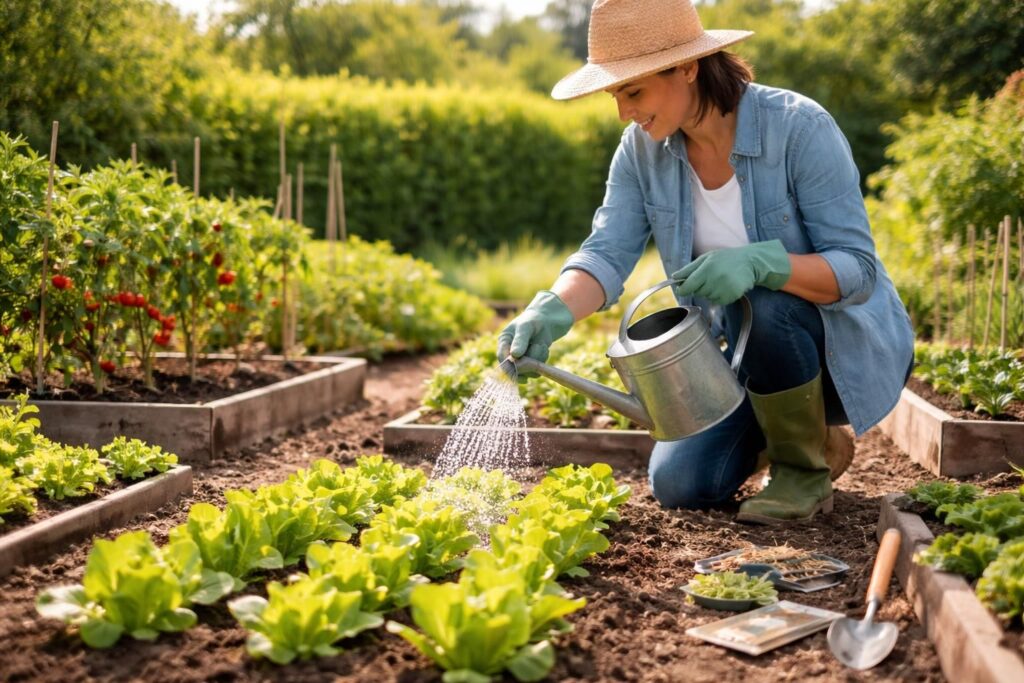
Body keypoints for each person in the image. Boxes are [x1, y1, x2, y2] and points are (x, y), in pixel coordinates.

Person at [497, 0, 914, 525]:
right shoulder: (641, 151)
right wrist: (553, 309)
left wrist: (767, 263)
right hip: (742, 355)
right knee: (680, 484)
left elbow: (858, 272)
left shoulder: (800, 129)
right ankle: (815, 442)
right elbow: (607, 251)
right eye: (614, 95)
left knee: (766, 298)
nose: (624, 112)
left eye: (633, 91)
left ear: (689, 67)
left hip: (840, 353)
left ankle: (801, 476)